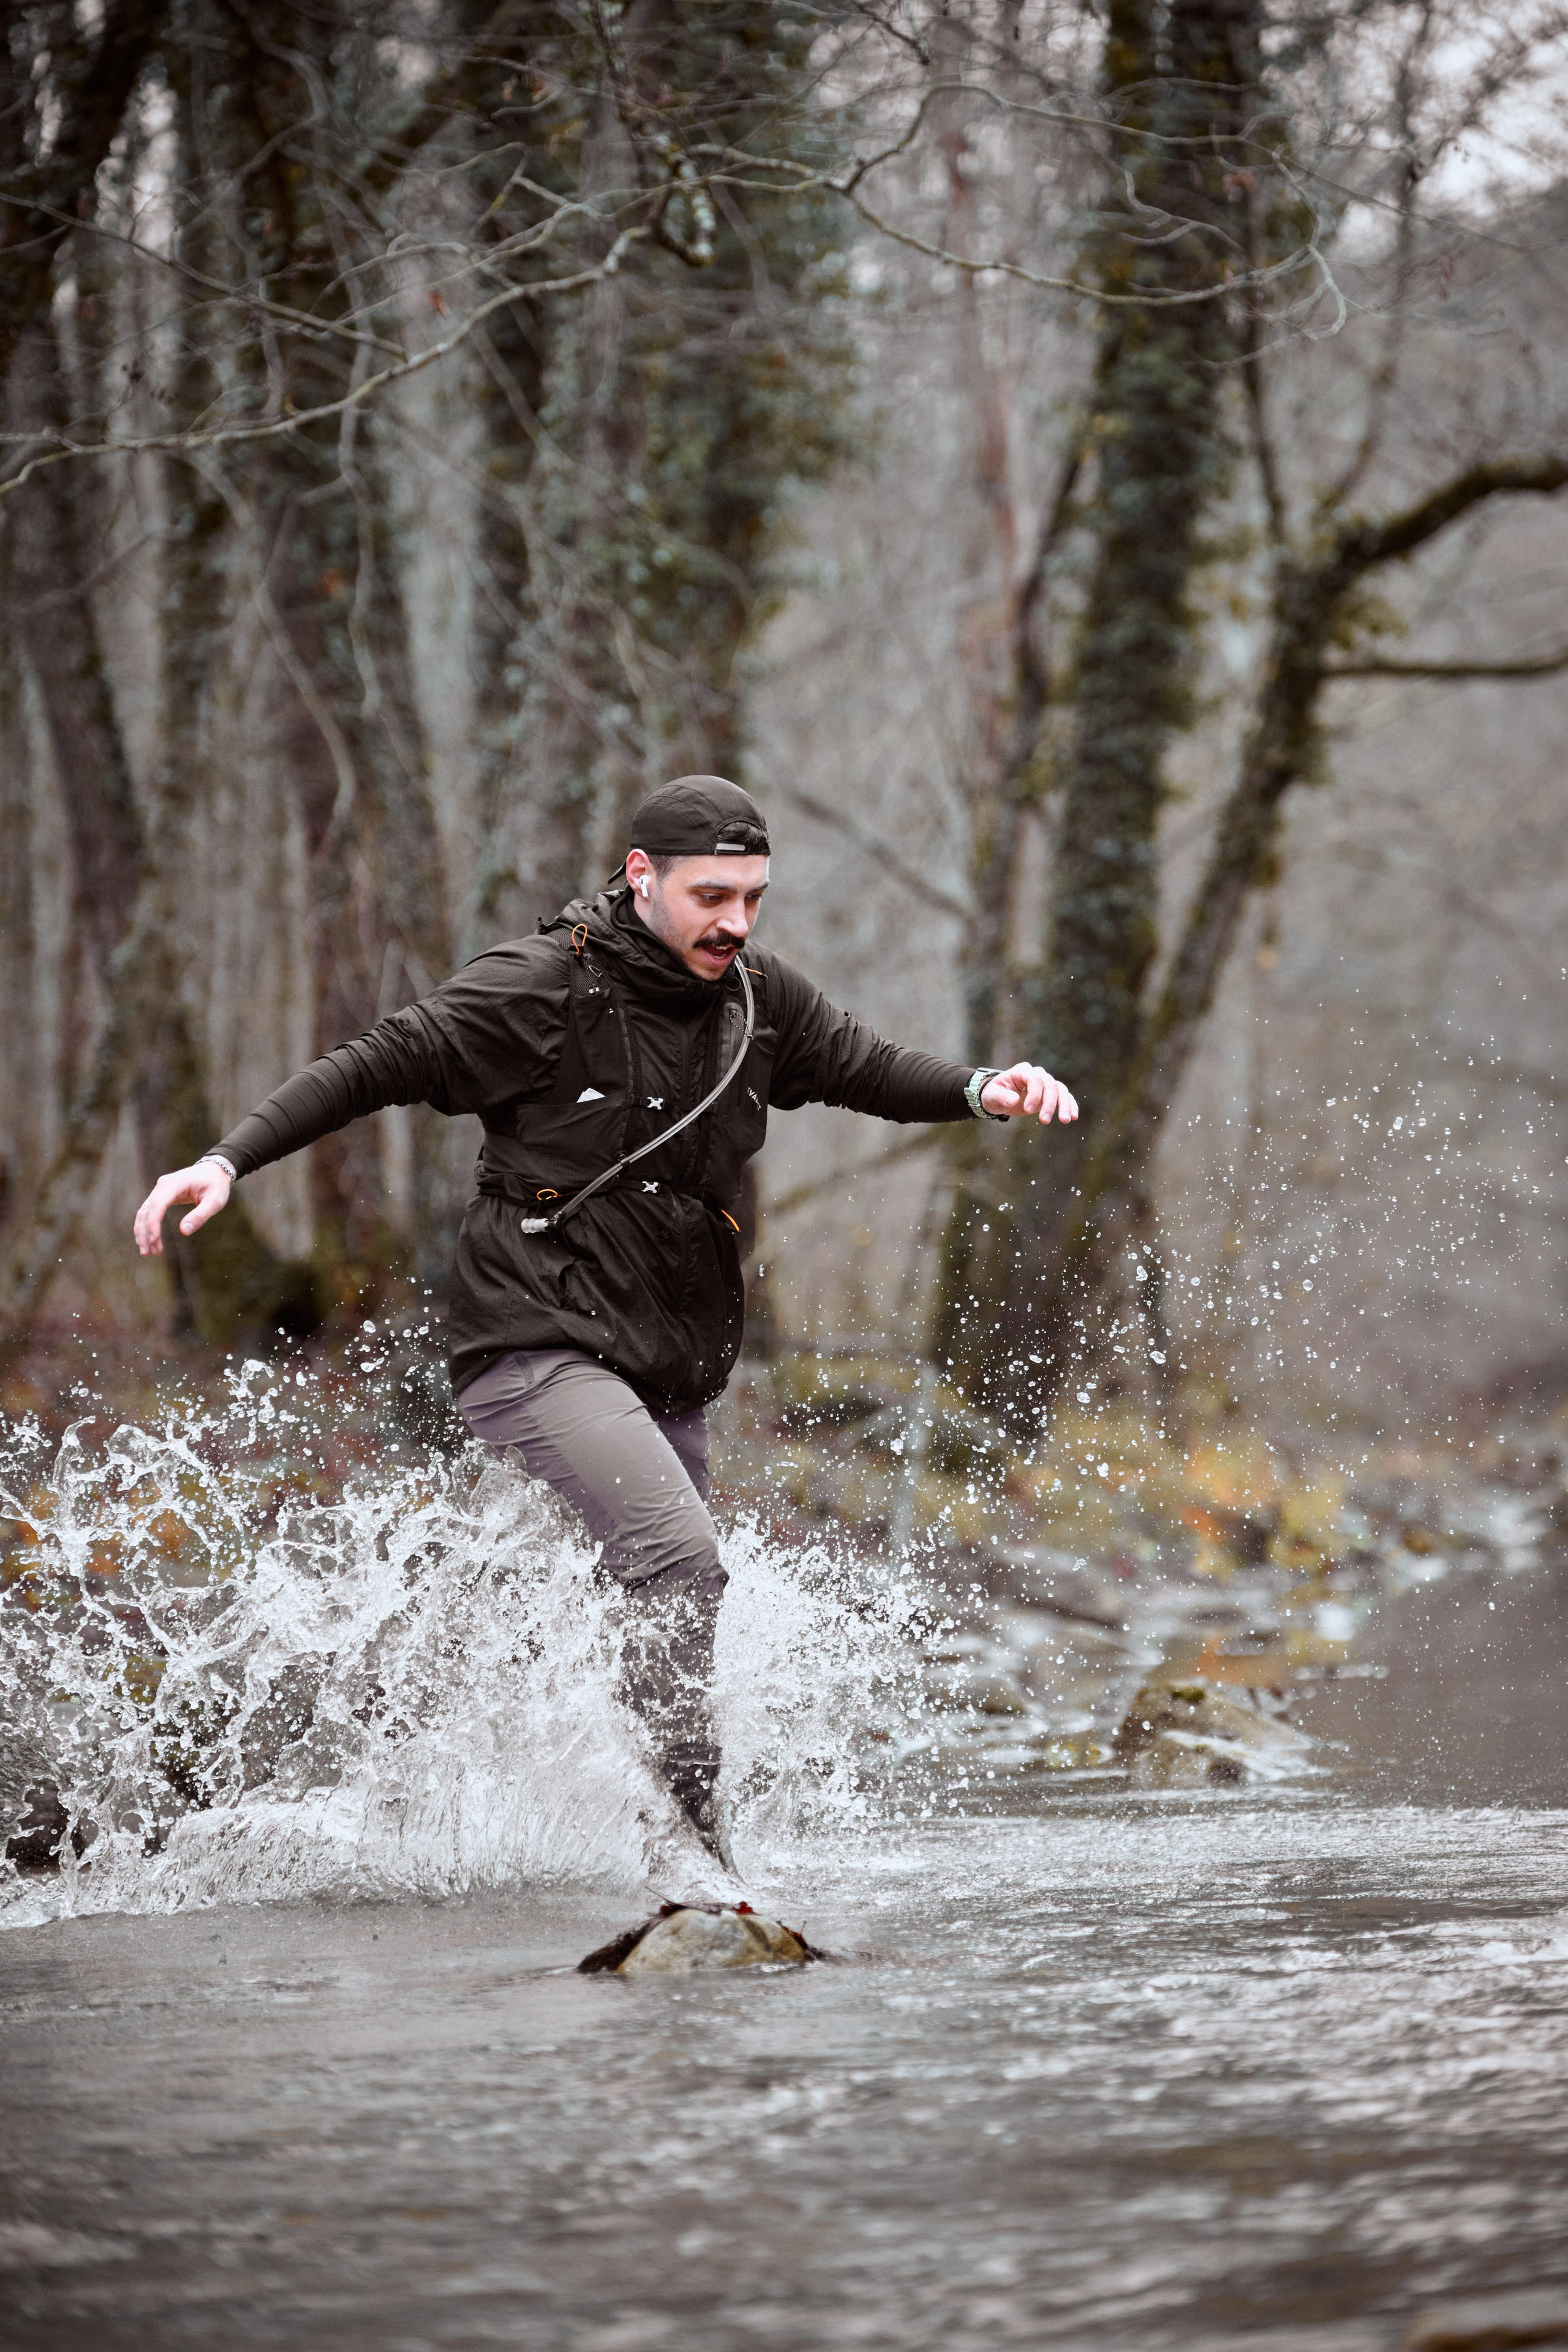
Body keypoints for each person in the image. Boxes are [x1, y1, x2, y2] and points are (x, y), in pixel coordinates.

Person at [134, 775, 1078, 1891]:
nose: (735, 922)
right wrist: (226, 1158)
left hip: (662, 1362)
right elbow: (376, 1060)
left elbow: (866, 1066)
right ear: (642, 878)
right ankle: (699, 1856)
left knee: (611, 1609)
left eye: (754, 898)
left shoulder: (757, 1002)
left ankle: (454, 1821)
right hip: (532, 1342)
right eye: (711, 894)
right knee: (683, 1567)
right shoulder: (538, 988)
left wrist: (984, 1090)